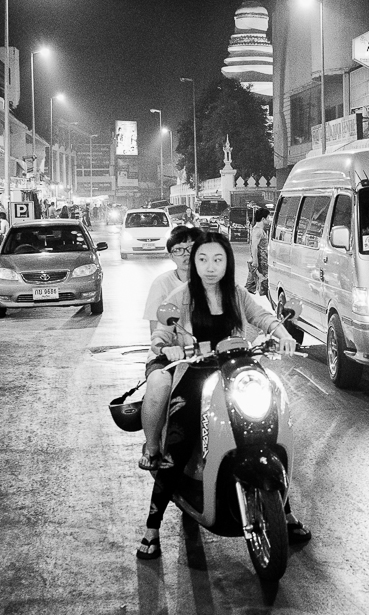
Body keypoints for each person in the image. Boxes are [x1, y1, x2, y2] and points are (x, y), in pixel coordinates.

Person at [137, 232, 311, 559]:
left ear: (228, 262)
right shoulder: (181, 295)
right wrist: (165, 346)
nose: (210, 267)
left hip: (237, 372)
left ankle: (283, 511)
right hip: (197, 374)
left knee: (269, 430)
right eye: (203, 259)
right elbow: (161, 333)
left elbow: (264, 318)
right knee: (178, 444)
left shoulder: (237, 294)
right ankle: (152, 526)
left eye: (218, 259)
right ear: (194, 262)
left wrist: (282, 334)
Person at [139, 225, 201, 471]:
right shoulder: (162, 284)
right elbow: (157, 333)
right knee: (160, 384)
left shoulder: (216, 282)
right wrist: (170, 348)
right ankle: (152, 447)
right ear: (171, 255)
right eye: (179, 249)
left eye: (191, 248)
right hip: (170, 356)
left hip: (209, 355)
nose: (186, 254)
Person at [245, 207, 270, 295]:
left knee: (253, 286)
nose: (269, 219)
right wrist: (255, 261)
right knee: (265, 285)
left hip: (262, 259)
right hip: (261, 261)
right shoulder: (258, 230)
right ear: (263, 219)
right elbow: (254, 246)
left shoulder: (258, 229)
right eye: (268, 217)